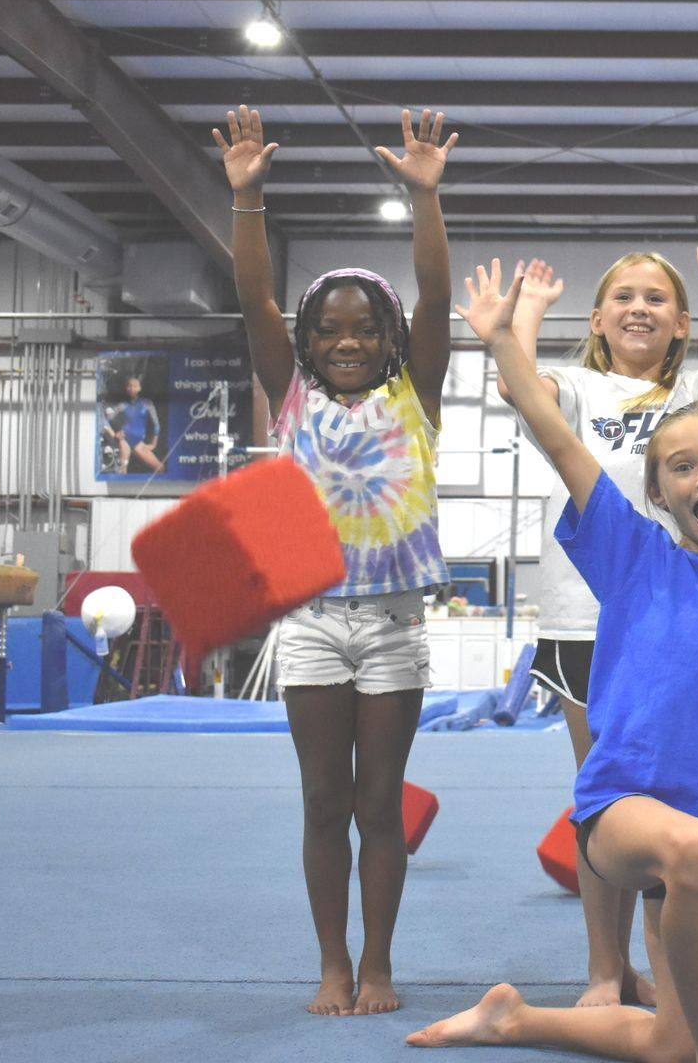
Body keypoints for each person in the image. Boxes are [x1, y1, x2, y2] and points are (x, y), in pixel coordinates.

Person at [407, 255, 698, 1061]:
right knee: (689, 859)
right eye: (681, 468)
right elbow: (554, 436)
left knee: (667, 1046)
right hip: (622, 814)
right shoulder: (633, 555)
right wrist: (503, 342)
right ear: (656, 495)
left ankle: (512, 1019)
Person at [217, 104, 456, 1016]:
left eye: (365, 329)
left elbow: (434, 297)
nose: (348, 341)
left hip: (394, 625)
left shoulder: (415, 395)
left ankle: (382, 964)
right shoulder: (290, 399)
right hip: (312, 622)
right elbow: (252, 301)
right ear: (308, 345)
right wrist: (249, 200)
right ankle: (331, 963)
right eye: (330, 331)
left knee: (378, 804)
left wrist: (425, 200)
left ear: (389, 341)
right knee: (323, 800)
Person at [500, 246, 698, 1007]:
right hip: (588, 619)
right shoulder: (579, 387)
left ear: (682, 324)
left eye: (656, 298)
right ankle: (605, 970)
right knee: (602, 796)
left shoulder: (690, 393)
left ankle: (679, 969)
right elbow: (520, 388)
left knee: (680, 796)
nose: (639, 307)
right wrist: (526, 312)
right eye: (623, 296)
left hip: (682, 621)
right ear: (597, 318)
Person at [103, 375, 164, 473]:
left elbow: (156, 425)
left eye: (135, 386)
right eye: (129, 386)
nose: (132, 388)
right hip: (125, 440)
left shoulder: (147, 404)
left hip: (138, 443)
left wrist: (153, 444)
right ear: (126, 388)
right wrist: (114, 435)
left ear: (139, 388)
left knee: (160, 468)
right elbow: (104, 420)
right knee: (122, 469)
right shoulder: (122, 405)